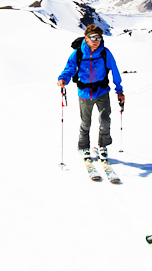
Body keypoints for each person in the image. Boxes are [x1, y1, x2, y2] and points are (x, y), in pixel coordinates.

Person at [57, 25, 125, 176]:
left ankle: (103, 146)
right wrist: (63, 79)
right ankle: (83, 147)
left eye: (99, 38)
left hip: (102, 91)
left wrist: (119, 90)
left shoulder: (105, 53)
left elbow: (114, 71)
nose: (96, 41)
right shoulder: (78, 54)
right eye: (93, 38)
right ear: (86, 38)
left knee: (105, 120)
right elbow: (70, 68)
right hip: (85, 93)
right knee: (86, 122)